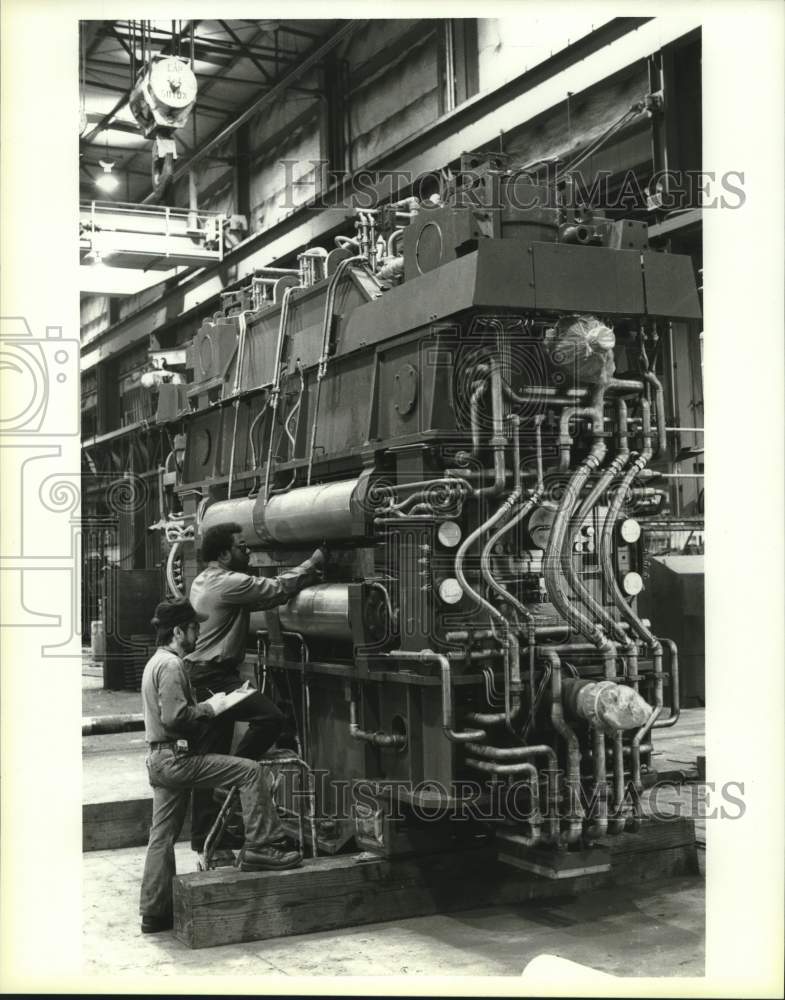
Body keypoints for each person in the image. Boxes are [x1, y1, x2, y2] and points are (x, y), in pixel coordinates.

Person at [139, 597, 302, 934]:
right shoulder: (171, 665)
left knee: (162, 836)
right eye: (194, 627)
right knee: (249, 770)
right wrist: (212, 708)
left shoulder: (155, 662)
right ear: (178, 631)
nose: (198, 632)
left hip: (159, 759)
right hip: (175, 759)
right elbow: (175, 718)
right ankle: (261, 847)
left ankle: (154, 914)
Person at [185, 521, 326, 862]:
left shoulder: (204, 579)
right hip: (215, 678)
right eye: (240, 546)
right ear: (223, 554)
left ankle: (209, 841)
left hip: (203, 675)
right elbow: (277, 589)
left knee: (208, 755)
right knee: (270, 717)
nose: (246, 551)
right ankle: (232, 778)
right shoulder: (228, 583)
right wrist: (314, 562)